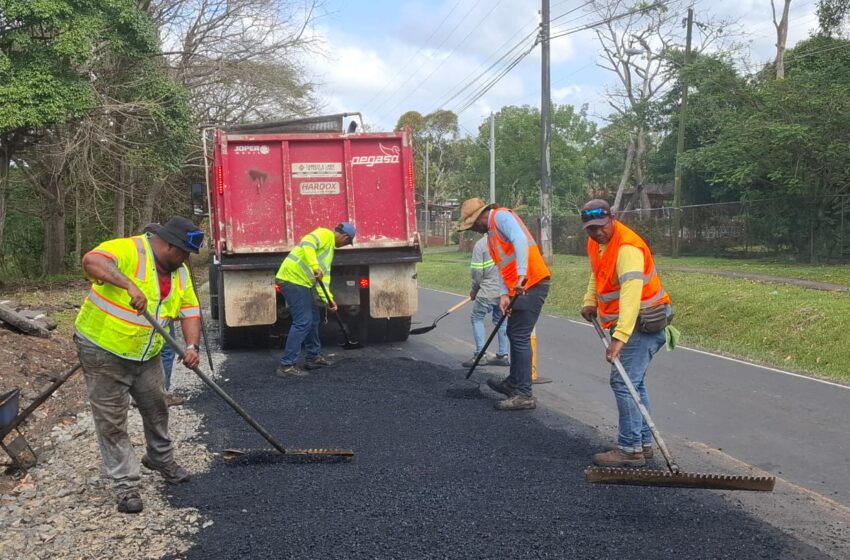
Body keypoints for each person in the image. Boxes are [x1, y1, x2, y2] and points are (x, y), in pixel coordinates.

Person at [74, 216, 203, 514]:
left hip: (146, 354)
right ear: (169, 245)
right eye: (184, 253)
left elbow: (190, 309)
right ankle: (126, 484)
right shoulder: (130, 249)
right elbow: (91, 261)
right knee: (112, 421)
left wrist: (191, 346)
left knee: (156, 407)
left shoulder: (179, 271)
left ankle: (159, 458)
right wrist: (128, 284)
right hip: (103, 349)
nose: (186, 260)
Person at [578, 199, 672, 468]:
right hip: (630, 322)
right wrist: (590, 301)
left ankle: (630, 450)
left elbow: (631, 296)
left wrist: (619, 338)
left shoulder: (628, 247)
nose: (597, 233)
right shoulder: (597, 243)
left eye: (601, 227)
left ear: (612, 218)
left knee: (623, 382)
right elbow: (598, 274)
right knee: (635, 383)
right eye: (591, 229)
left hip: (644, 323)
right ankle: (642, 443)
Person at [457, 198, 550, 410]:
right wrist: (503, 294)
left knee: (519, 336)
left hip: (532, 283)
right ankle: (513, 383)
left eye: (473, 224)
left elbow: (520, 240)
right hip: (516, 287)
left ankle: (524, 394)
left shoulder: (501, 217)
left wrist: (522, 275)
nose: (474, 229)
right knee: (513, 334)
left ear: (481, 215)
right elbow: (502, 265)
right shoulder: (490, 234)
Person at [275, 223, 355, 378]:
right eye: (347, 243)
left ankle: (313, 357)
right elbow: (307, 243)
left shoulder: (329, 250)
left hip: (302, 283)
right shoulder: (325, 234)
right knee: (303, 321)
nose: (344, 246)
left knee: (314, 319)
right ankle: (286, 365)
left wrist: (329, 301)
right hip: (292, 280)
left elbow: (323, 281)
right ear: (345, 237)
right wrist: (314, 266)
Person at [143, 224, 184, 407]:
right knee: (165, 352)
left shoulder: (140, 257)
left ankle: (152, 394)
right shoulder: (160, 264)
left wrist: (192, 347)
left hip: (158, 314)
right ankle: (160, 394)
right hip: (155, 316)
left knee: (157, 353)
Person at [462, 234, 510, 368]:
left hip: (487, 291)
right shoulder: (506, 242)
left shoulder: (481, 244)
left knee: (476, 317)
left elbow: (477, 272)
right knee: (500, 321)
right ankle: (503, 354)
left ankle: (480, 354)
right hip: (504, 292)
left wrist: (474, 290)